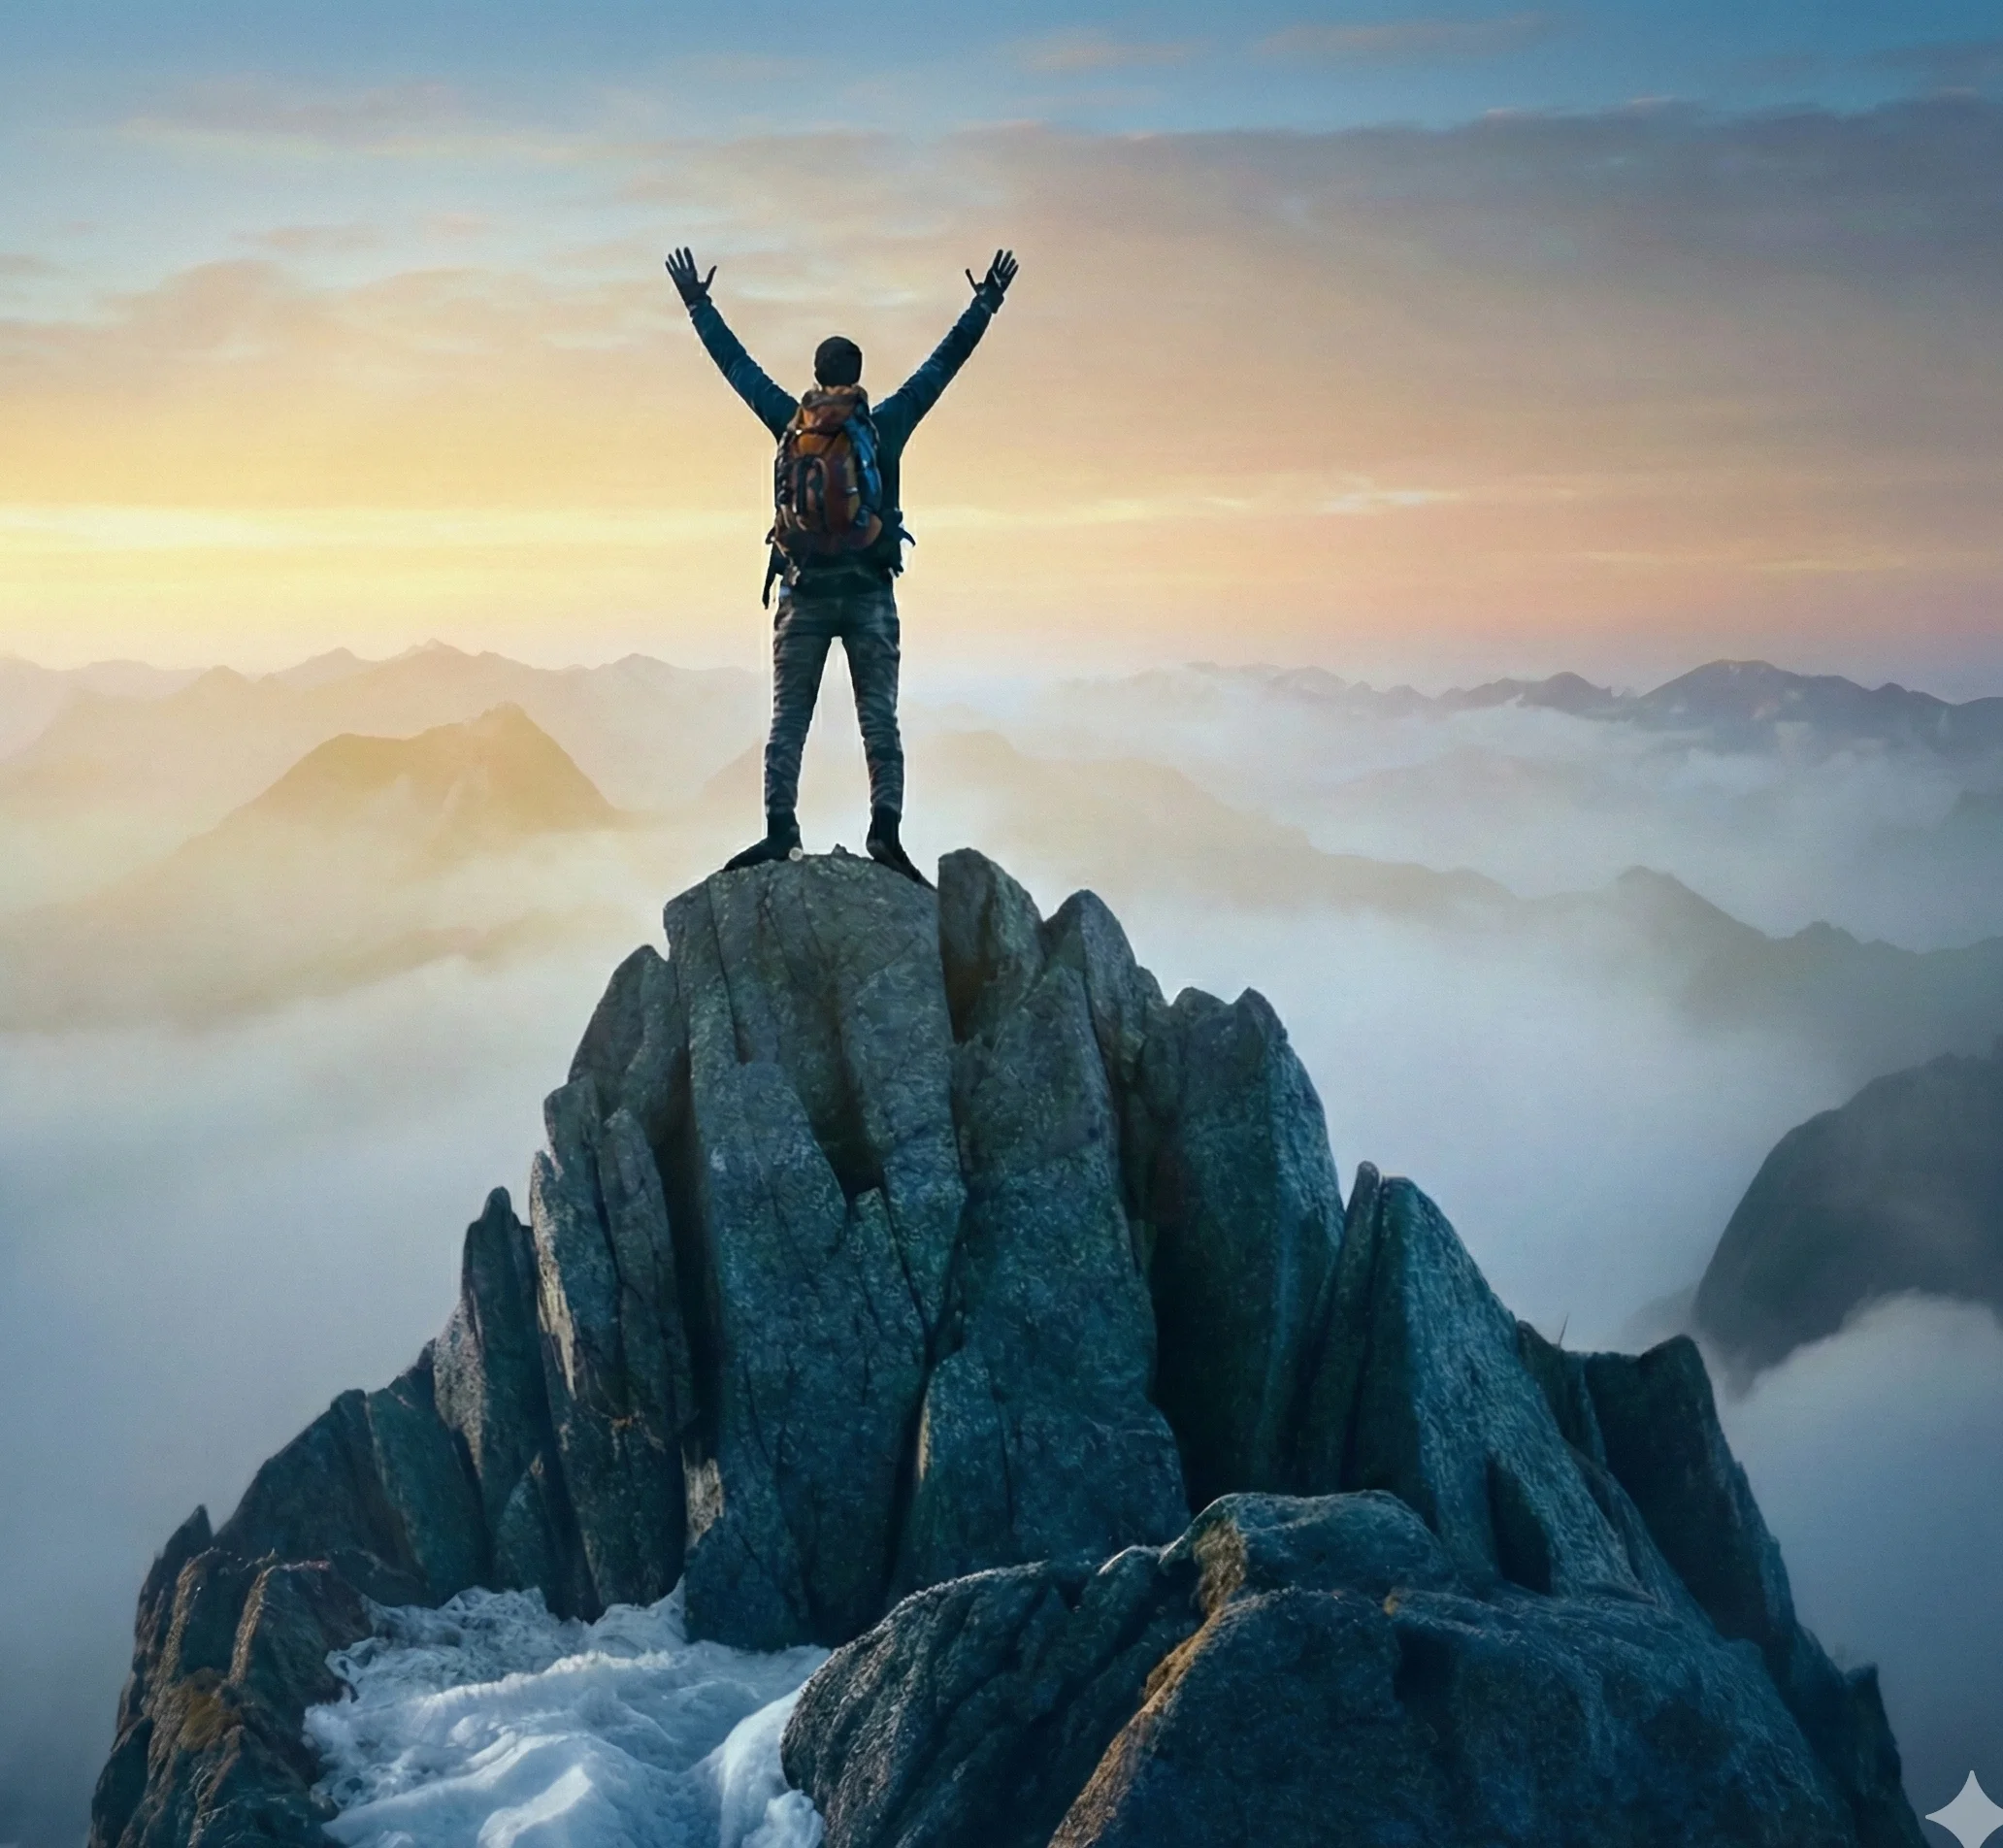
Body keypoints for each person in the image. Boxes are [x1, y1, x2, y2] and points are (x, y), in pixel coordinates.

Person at [666, 243, 1018, 884]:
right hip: (868, 595)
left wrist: (698, 303)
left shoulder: (789, 421)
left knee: (788, 720)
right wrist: (986, 301)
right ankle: (885, 833)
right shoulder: (885, 425)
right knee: (878, 721)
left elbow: (736, 365)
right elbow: (944, 363)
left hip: (802, 594)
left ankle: (780, 829)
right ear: (858, 377)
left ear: (816, 374)